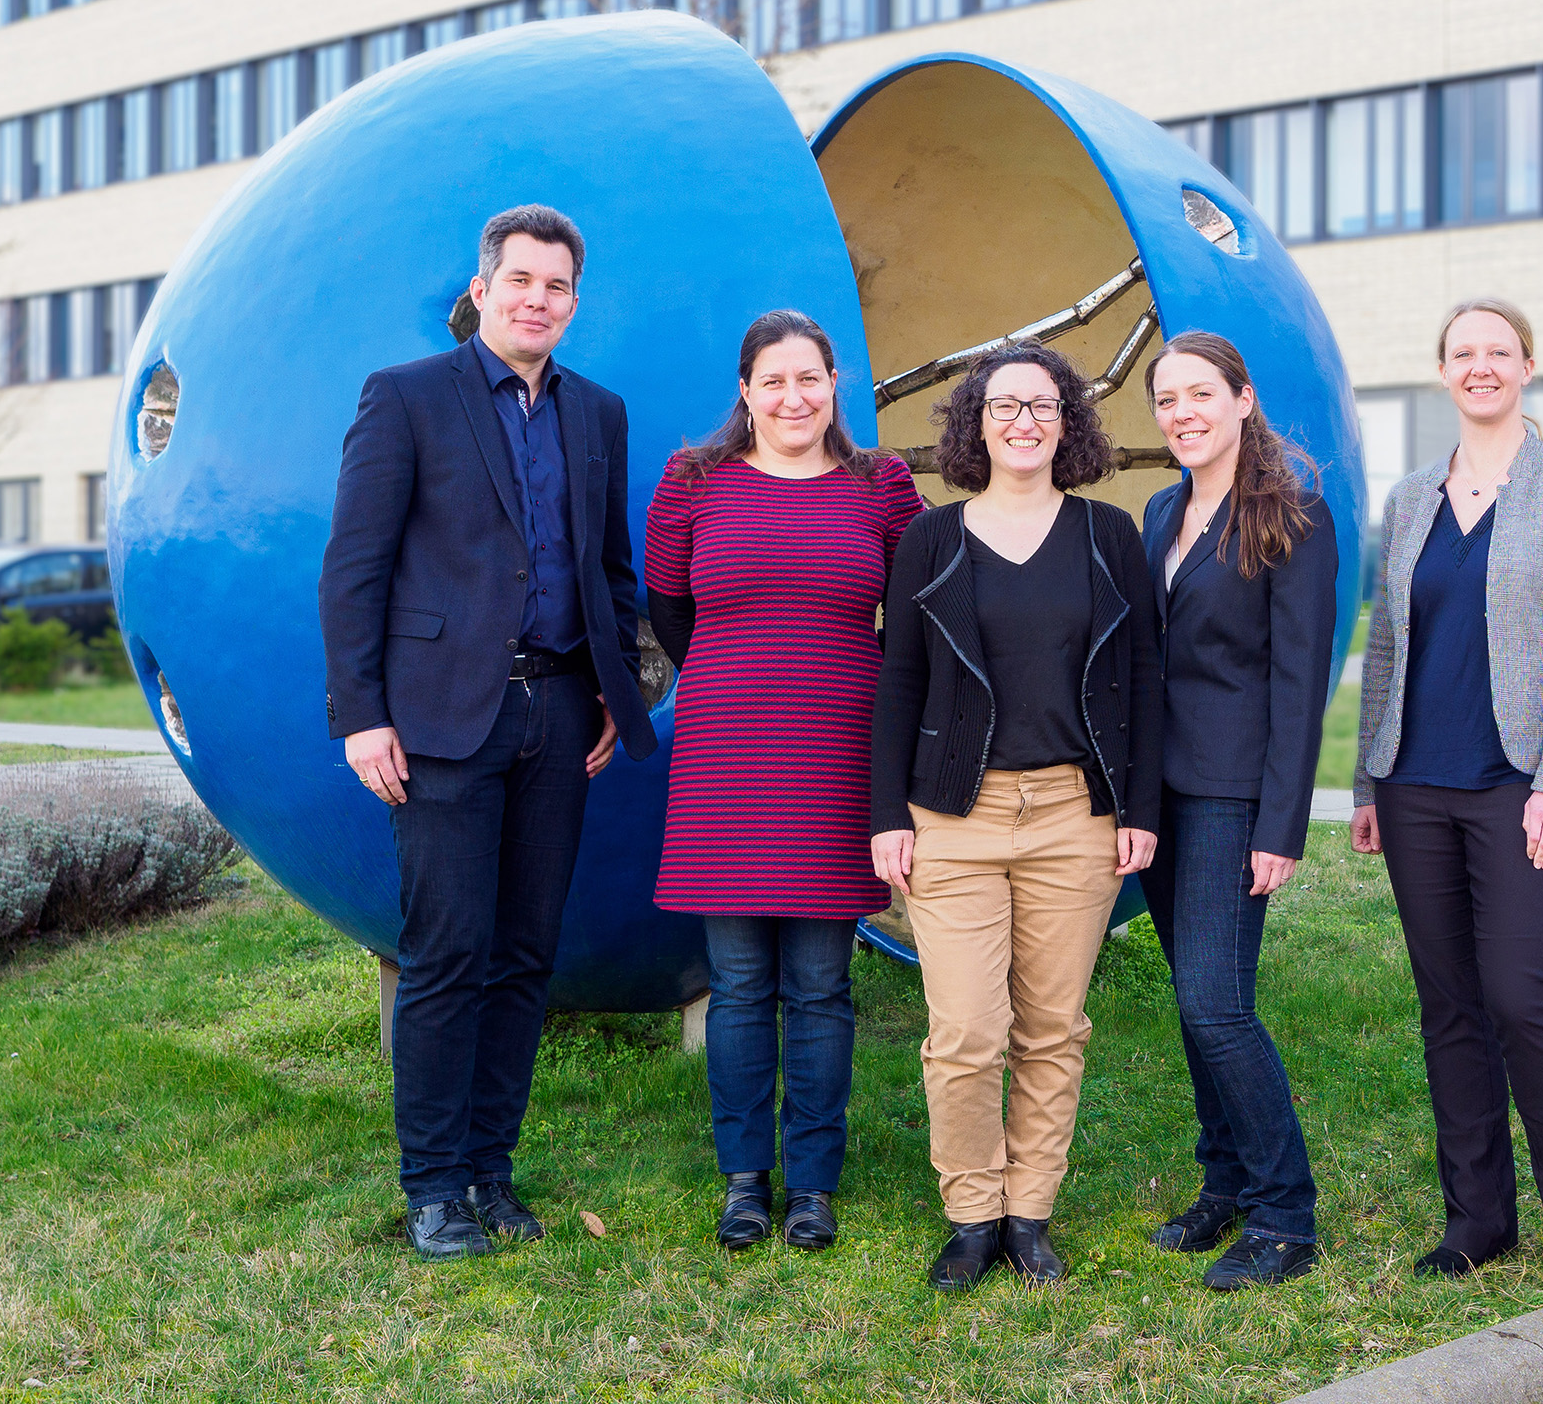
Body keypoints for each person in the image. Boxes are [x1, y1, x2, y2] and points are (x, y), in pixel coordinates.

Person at [318, 204, 657, 1262]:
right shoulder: (407, 397)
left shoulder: (597, 412)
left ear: (574, 300)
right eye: (520, 281)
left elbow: (608, 570)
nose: (537, 300)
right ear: (481, 289)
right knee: (448, 952)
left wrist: (613, 690)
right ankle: (431, 1189)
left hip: (557, 714)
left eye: (557, 287)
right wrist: (362, 714)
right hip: (437, 720)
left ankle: (490, 1174)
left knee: (523, 956)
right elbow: (354, 569)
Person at [1349, 298, 1543, 1294]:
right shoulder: (1412, 496)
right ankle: (1477, 1220)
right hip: (1414, 783)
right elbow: (1385, 643)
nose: (1480, 367)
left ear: (1527, 367)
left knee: (1522, 993)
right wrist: (1365, 782)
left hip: (1519, 788)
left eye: (1497, 352)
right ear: (1442, 372)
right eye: (1462, 353)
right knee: (1450, 1007)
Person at [870, 342, 1162, 1292]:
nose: (1024, 420)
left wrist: (1136, 804)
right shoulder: (932, 538)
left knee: (1051, 1026)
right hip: (954, 812)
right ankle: (970, 1211)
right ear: (975, 423)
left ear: (1067, 423)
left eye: (1043, 405)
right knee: (963, 1029)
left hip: (1074, 812)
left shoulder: (1107, 536)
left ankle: (1028, 1211)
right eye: (1004, 406)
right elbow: (898, 679)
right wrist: (889, 815)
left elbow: (1143, 681)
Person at [642, 309, 924, 1253]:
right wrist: (744, 672)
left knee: (820, 982)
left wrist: (847, 681)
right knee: (735, 981)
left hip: (840, 751)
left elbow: (915, 618)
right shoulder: (689, 485)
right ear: (745, 390)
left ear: (835, 382)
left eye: (810, 378)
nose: (793, 397)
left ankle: (811, 1183)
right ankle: (743, 1182)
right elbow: (671, 613)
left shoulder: (881, 485)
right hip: (727, 754)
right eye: (774, 381)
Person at [1135, 331, 1335, 1290]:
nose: (1183, 413)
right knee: (1191, 1003)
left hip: (1232, 793)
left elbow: (1300, 684)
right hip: (1161, 796)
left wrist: (1279, 825)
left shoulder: (1291, 515)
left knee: (1217, 1002)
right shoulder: (1159, 511)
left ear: (1242, 399)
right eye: (1166, 399)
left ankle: (1285, 1214)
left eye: (1200, 394)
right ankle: (1222, 1185)